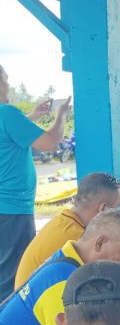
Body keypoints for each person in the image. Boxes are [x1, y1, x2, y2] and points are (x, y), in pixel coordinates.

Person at [0, 65, 70, 300]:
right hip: (12, 207)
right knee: (15, 276)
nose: (8, 84)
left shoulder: (8, 117)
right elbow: (51, 142)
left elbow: (7, 136)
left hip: (5, 209)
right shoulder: (7, 113)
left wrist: (32, 116)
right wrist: (61, 115)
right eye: (6, 79)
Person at [15, 173, 120, 288]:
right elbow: (112, 275)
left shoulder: (64, 222)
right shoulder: (77, 237)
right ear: (104, 209)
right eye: (117, 208)